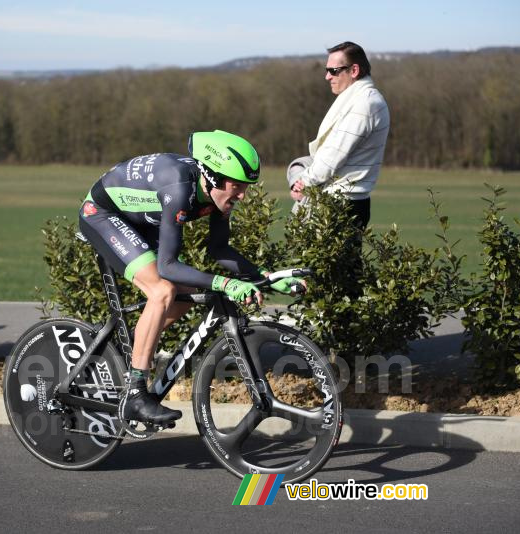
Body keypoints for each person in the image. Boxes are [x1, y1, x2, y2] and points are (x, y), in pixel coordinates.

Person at [79, 130, 304, 425]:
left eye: (246, 186)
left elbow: (219, 248)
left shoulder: (214, 193)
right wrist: (226, 283)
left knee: (187, 294)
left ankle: (130, 350)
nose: (243, 195)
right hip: (103, 214)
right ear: (211, 177)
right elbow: (168, 266)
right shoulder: (180, 188)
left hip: (141, 217)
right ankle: (135, 393)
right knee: (162, 291)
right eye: (237, 186)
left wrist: (267, 276)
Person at [287, 41, 390, 229]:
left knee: (331, 259)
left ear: (354, 70)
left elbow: (333, 156)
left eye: (333, 71)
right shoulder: (360, 99)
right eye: (327, 70)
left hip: (341, 204)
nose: (327, 77)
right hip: (344, 201)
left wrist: (304, 182)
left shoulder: (364, 104)